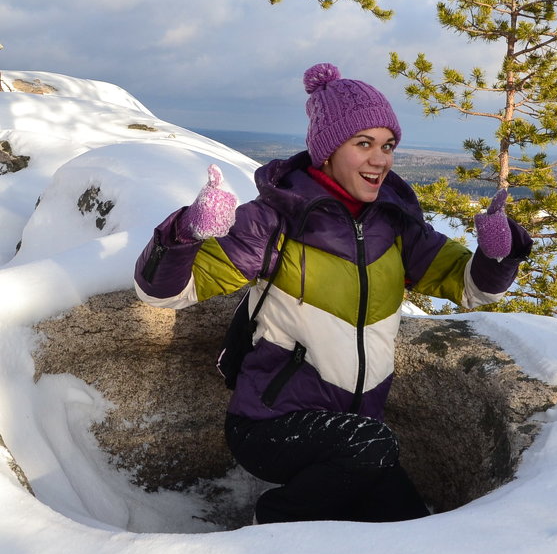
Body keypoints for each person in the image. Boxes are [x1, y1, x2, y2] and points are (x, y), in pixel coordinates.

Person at [134, 62, 532, 524]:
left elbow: (471, 289)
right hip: (269, 425)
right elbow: (163, 293)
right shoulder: (275, 220)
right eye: (363, 144)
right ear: (326, 150)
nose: (380, 159)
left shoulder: (397, 225)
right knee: (371, 448)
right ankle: (274, 522)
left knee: (409, 520)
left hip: (356, 432)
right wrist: (185, 232)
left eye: (387, 146)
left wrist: (498, 255)